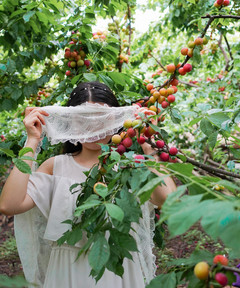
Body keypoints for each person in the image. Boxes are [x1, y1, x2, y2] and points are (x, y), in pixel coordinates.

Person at [0, 81, 176, 288]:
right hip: (67, 273)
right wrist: (32, 140)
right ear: (71, 121)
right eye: (84, 119)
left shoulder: (132, 166)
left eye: (102, 118)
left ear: (117, 120)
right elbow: (9, 204)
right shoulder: (55, 167)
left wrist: (148, 146)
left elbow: (169, 201)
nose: (94, 127)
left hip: (120, 271)